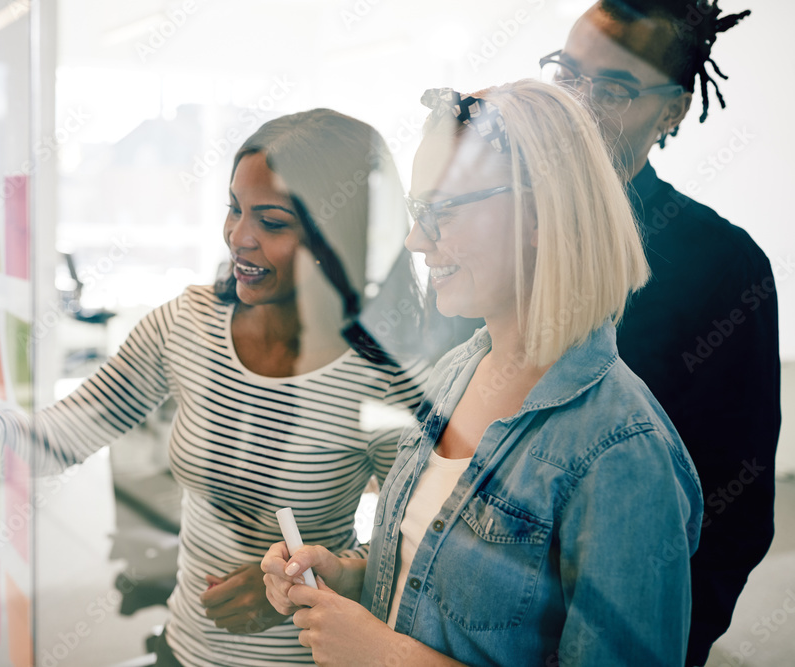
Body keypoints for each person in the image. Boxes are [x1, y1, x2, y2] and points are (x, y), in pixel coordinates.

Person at [0, 109, 427, 667]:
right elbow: (58, 439)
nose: (240, 237)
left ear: (337, 234)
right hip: (182, 649)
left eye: (273, 222)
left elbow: (410, 554)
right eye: (234, 210)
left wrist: (299, 580)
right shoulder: (186, 324)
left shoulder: (382, 376)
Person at [262, 80, 703, 666]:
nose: (417, 240)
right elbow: (435, 563)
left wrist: (385, 655)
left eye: (441, 211)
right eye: (418, 212)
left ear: (543, 211)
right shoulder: (458, 371)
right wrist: (346, 576)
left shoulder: (622, 451)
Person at [542, 2, 780, 662]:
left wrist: (654, 639)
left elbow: (737, 508)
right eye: (569, 74)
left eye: (614, 89)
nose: (581, 105)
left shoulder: (724, 267)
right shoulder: (495, 229)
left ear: (672, 112)